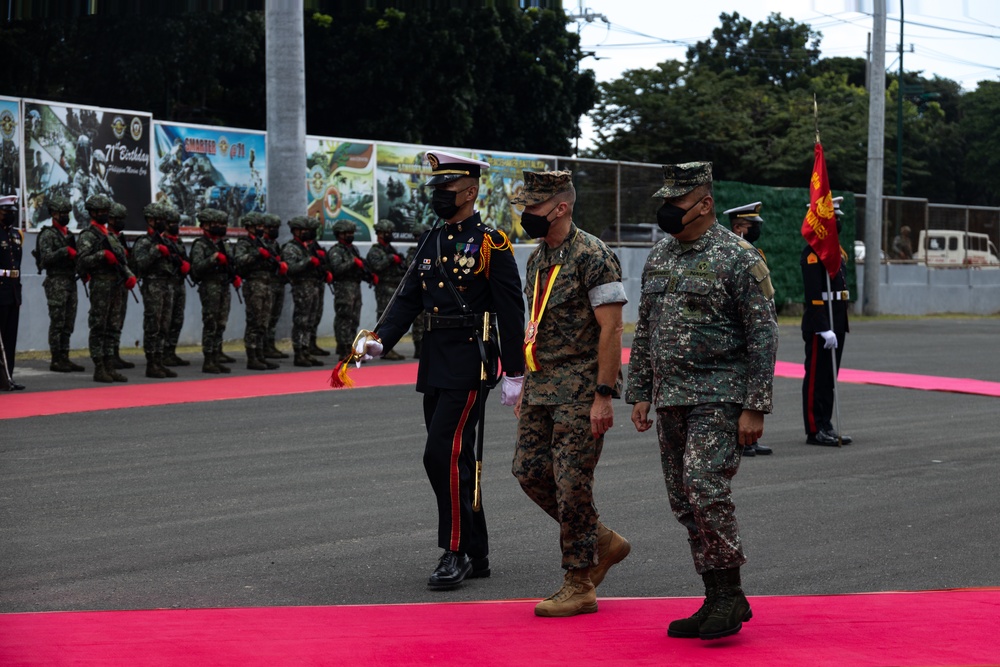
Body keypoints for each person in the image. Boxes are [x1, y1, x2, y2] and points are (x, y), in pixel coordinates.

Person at [626, 162, 778, 640]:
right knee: (684, 499)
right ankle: (716, 594)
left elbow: (762, 333)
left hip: (720, 394)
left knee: (704, 484)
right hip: (671, 396)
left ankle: (730, 594)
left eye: (677, 203)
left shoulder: (738, 256)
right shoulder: (661, 255)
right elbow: (646, 327)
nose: (668, 211)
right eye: (665, 203)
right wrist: (639, 392)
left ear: (705, 204)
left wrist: (755, 405)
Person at [361, 150, 525, 590]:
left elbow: (511, 312)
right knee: (458, 457)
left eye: (446, 190)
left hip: (471, 360)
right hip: (435, 359)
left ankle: (454, 551)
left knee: (440, 454)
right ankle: (478, 551)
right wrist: (383, 338)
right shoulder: (433, 239)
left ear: (470, 192)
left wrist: (515, 372)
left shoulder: (492, 242)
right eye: (435, 190)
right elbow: (408, 295)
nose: (438, 197)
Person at [508, 170, 631, 617]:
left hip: (581, 389)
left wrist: (603, 394)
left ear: (560, 207)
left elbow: (612, 327)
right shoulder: (537, 258)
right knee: (527, 471)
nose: (526, 214)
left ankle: (579, 582)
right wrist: (526, 381)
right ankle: (602, 540)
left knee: (572, 483)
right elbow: (537, 325)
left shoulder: (594, 255)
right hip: (542, 385)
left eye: (534, 207)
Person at [801, 196, 853, 446]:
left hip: (837, 320)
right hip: (820, 325)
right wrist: (823, 328)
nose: (838, 224)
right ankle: (814, 428)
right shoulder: (813, 254)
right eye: (835, 220)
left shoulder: (834, 252)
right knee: (815, 378)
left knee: (829, 377)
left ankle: (826, 423)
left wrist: (838, 325)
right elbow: (814, 296)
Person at [722, 201, 773, 457]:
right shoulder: (731, 253)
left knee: (751, 384)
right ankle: (739, 440)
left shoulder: (754, 252)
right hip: (736, 333)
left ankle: (750, 439)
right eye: (752, 225)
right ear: (738, 227)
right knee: (736, 388)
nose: (755, 229)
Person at [75, 194, 137, 383]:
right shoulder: (88, 236)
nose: (103, 214)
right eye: (100, 212)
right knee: (99, 326)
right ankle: (99, 368)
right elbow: (82, 262)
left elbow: (121, 259)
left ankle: (110, 365)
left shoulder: (110, 236)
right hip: (101, 284)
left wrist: (129, 275)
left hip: (116, 285)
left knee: (112, 327)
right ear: (92, 213)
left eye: (105, 212)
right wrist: (101, 255)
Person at [132, 202, 186, 378]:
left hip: (168, 285)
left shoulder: (165, 240)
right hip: (153, 285)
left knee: (164, 326)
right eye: (160, 219)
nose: (163, 222)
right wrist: (156, 251)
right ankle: (151, 364)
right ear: (150, 220)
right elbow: (139, 264)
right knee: (153, 325)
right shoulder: (144, 242)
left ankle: (160, 361)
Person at [36, 194, 85, 373]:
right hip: (56, 281)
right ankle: (56, 359)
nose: (65, 215)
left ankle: (65, 357)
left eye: (67, 212)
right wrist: (65, 251)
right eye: (61, 212)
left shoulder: (69, 235)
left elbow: (77, 257)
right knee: (57, 321)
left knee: (68, 322)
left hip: (70, 280)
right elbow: (45, 258)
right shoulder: (47, 235)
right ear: (53, 214)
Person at [234, 211, 287, 370]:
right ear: (249, 227)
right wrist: (257, 254)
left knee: (264, 322)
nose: (260, 229)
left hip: (267, 283)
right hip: (254, 284)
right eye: (257, 226)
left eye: (261, 226)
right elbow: (239, 261)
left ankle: (261, 354)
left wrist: (278, 264)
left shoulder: (263, 243)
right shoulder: (244, 243)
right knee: (254, 321)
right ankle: (252, 357)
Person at [190, 207, 239, 374]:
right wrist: (214, 258)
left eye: (221, 224)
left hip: (224, 285)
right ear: (205, 225)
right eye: (215, 224)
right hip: (210, 286)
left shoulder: (223, 244)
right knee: (211, 323)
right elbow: (196, 268)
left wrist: (234, 276)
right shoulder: (200, 245)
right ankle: (208, 360)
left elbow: (231, 264)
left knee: (221, 323)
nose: (219, 226)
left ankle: (217, 356)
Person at [281, 215, 328, 367]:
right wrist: (308, 261)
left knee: (310, 321)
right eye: (304, 230)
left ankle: (306, 350)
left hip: (313, 286)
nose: (308, 233)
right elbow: (291, 268)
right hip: (301, 287)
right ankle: (299, 353)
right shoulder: (291, 248)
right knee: (301, 321)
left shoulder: (308, 247)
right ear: (296, 231)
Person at [326, 219, 370, 358]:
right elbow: (337, 269)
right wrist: (352, 262)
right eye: (347, 233)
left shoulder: (353, 249)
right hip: (344, 287)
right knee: (344, 318)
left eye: (352, 232)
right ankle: (343, 348)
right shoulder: (336, 251)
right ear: (340, 234)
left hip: (355, 286)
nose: (351, 235)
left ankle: (350, 346)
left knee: (354, 319)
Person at [366, 219, 407, 360]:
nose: (389, 234)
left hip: (395, 287)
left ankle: (387, 347)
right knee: (385, 318)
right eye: (386, 232)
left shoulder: (390, 249)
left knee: (393, 318)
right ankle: (383, 348)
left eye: (390, 232)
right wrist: (390, 259)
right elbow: (376, 266)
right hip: (384, 288)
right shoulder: (375, 251)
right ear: (380, 234)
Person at [160, 205, 191, 368]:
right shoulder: (160, 241)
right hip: (166, 284)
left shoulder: (177, 241)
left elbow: (185, 258)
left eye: (176, 223)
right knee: (165, 320)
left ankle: (171, 352)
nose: (175, 226)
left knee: (177, 319)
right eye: (171, 222)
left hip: (179, 284)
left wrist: (186, 265)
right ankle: (161, 353)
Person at [0, 194, 25, 391]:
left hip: (13, 291)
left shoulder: (16, 235)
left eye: (11, 212)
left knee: (10, 337)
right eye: (6, 212)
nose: (9, 215)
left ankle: (8, 377)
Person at [108, 201, 135, 370]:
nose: (121, 221)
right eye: (118, 218)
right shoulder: (106, 237)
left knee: (119, 320)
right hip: (110, 284)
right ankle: (108, 355)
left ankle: (115, 353)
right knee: (109, 321)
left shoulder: (119, 238)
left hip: (122, 285)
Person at [261, 213, 289, 360]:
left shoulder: (275, 245)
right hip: (268, 284)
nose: (274, 230)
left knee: (274, 317)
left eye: (276, 227)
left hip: (278, 283)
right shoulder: (261, 244)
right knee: (266, 317)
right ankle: (264, 346)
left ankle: (270, 344)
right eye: (271, 227)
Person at [405, 223, 429, 359]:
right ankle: (418, 348)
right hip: (418, 290)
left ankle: (424, 347)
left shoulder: (431, 250)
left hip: (428, 290)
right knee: (418, 321)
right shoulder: (413, 253)